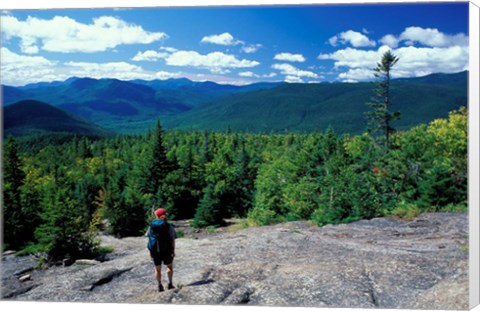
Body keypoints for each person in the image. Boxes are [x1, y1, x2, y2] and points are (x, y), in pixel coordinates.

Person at [147, 207, 177, 292]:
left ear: (157, 215)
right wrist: (173, 251)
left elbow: (148, 236)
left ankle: (159, 285)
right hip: (166, 250)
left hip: (155, 250)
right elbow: (173, 239)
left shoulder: (151, 225)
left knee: (157, 269)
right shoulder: (168, 226)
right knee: (169, 267)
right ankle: (170, 284)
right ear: (164, 216)